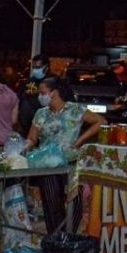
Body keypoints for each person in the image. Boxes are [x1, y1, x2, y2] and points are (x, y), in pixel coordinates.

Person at [24, 75, 105, 233]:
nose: (40, 96)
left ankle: (69, 237)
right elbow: (32, 138)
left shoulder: (75, 110)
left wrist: (80, 140)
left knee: (74, 204)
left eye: (42, 92)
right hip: (47, 166)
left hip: (72, 164)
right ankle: (56, 238)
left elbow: (100, 122)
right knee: (51, 203)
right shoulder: (41, 114)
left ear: (54, 92)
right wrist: (24, 147)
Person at [16, 54, 48, 135]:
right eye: (33, 67)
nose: (35, 70)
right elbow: (18, 100)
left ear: (46, 67)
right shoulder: (28, 82)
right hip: (26, 128)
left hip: (45, 126)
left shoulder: (54, 82)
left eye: (38, 67)